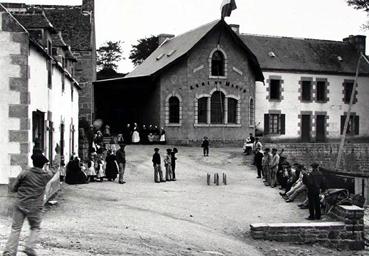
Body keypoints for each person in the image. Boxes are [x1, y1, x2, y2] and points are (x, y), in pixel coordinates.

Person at [3, 151, 56, 256]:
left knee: (16, 228)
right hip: (35, 207)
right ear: (43, 165)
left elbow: (13, 188)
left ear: (33, 162)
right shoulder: (46, 176)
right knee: (35, 227)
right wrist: (46, 167)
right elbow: (53, 171)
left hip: (21, 203)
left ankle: (9, 252)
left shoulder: (25, 173)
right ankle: (29, 247)